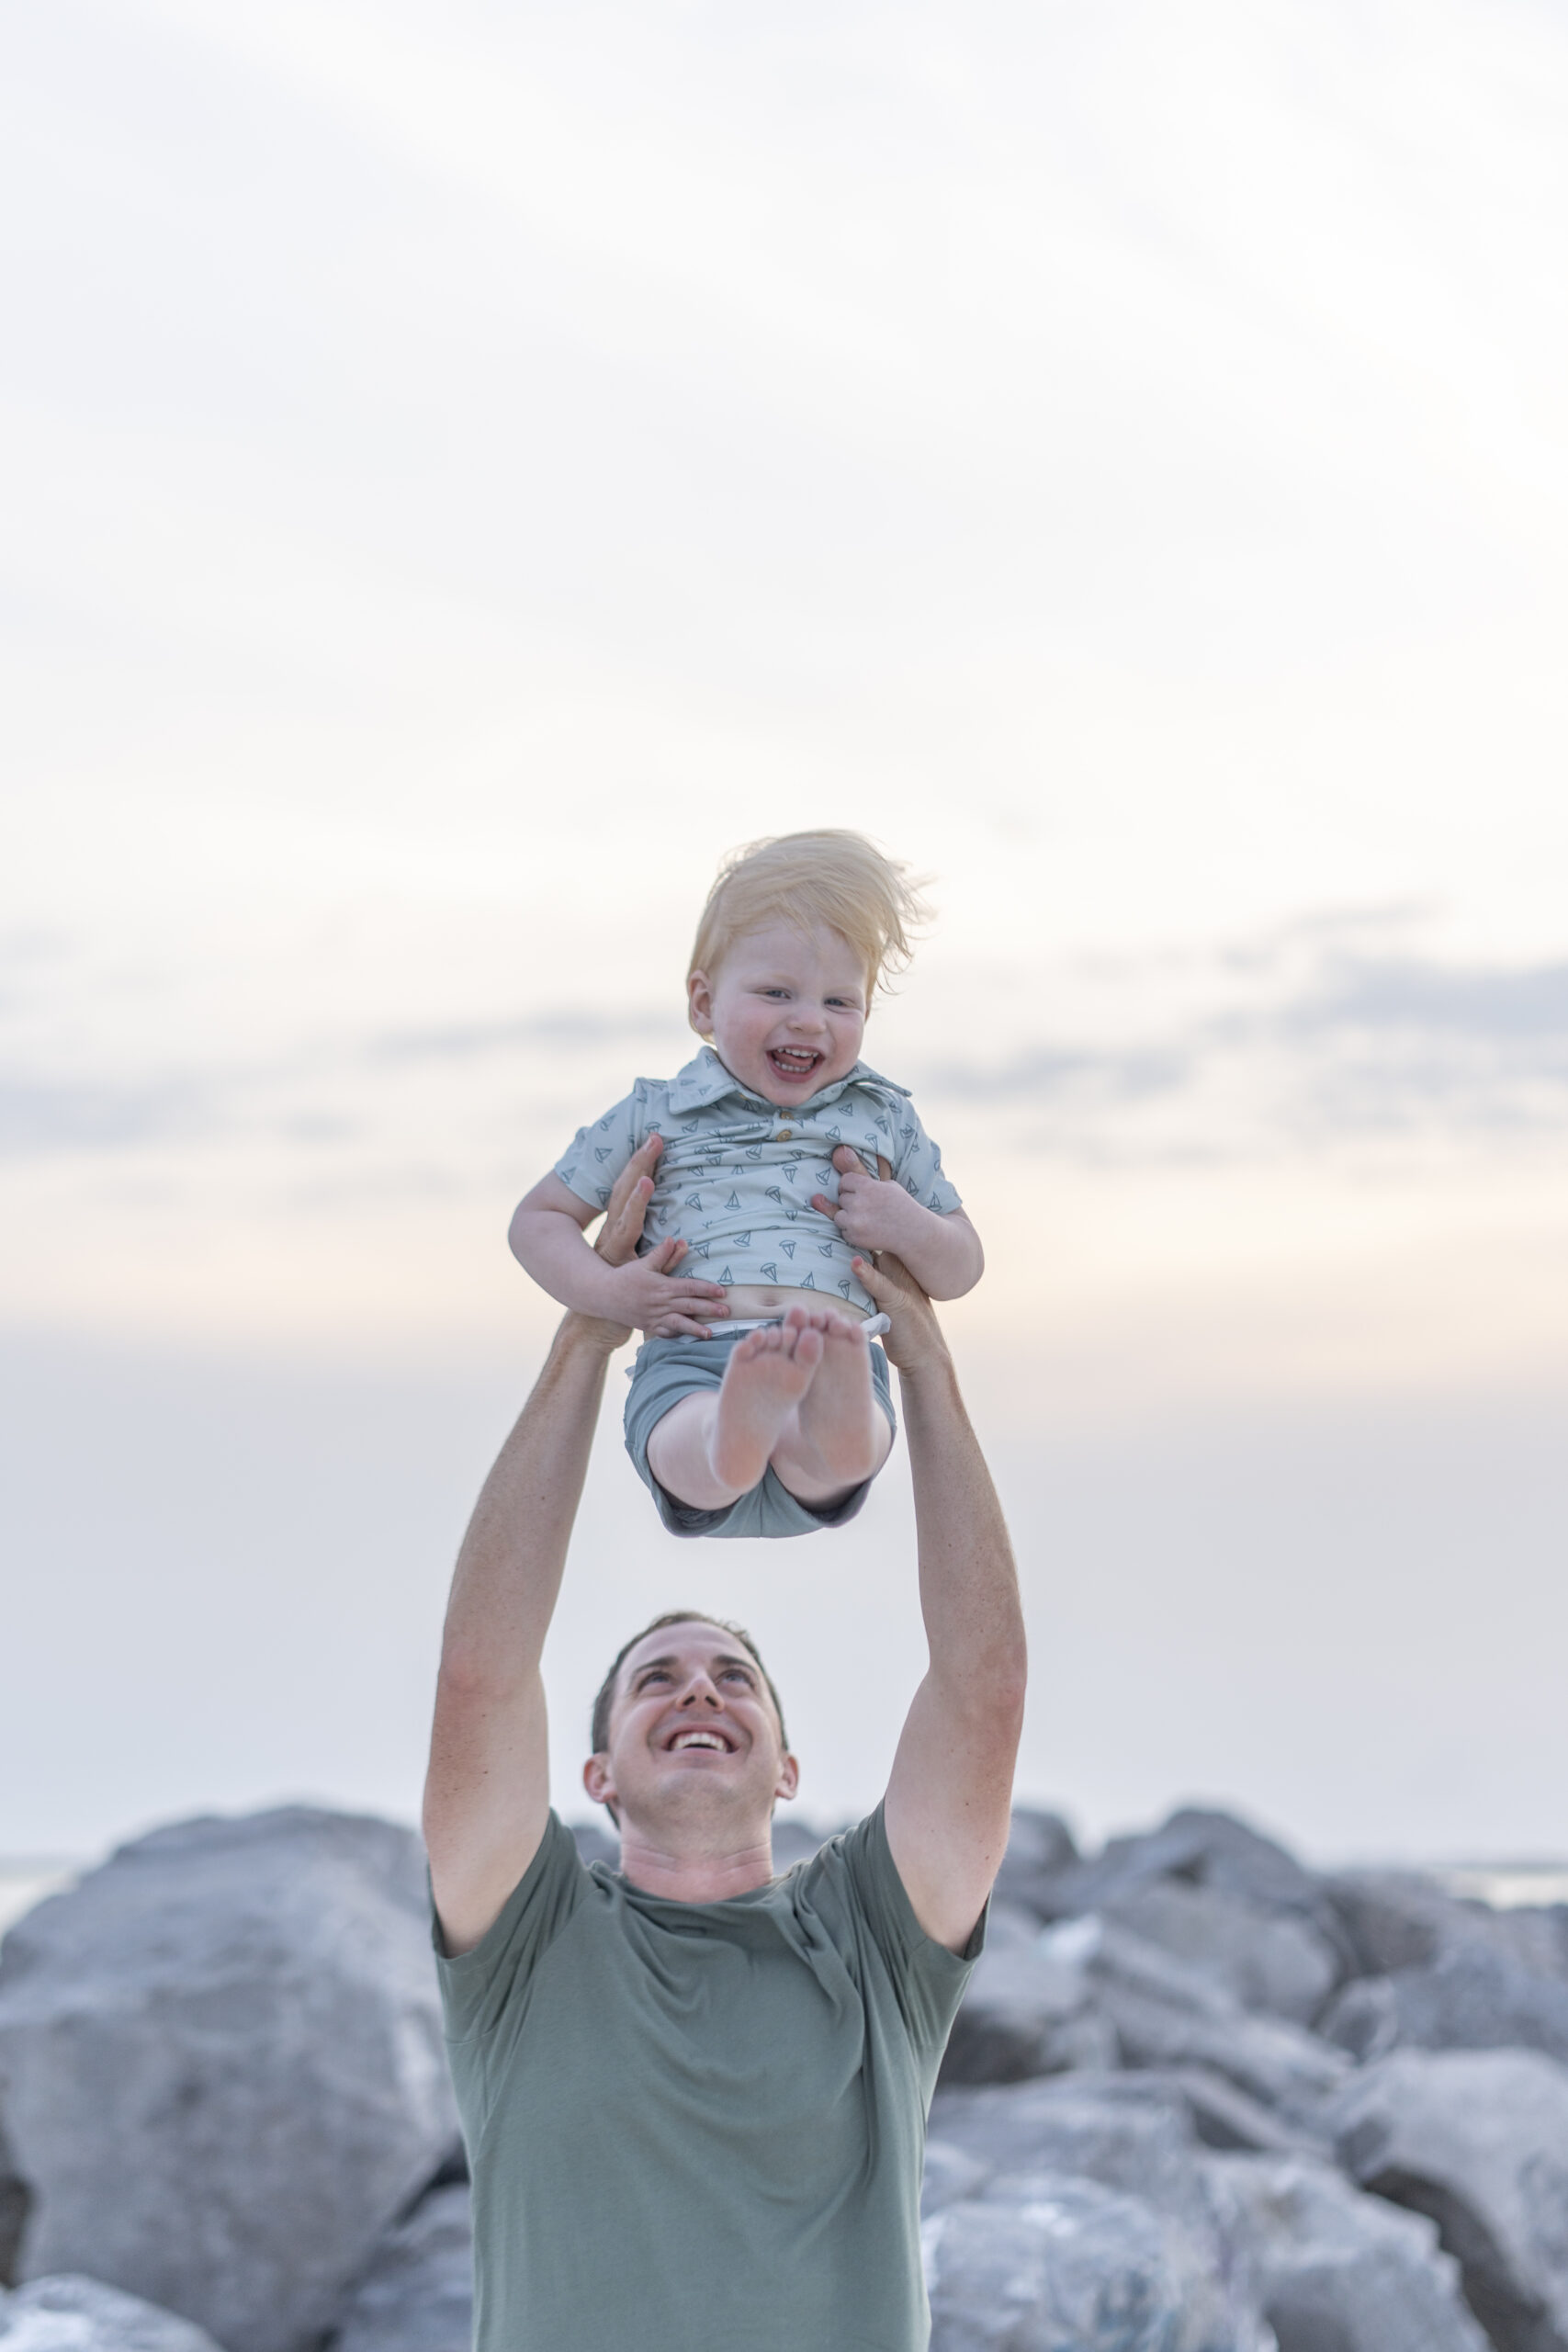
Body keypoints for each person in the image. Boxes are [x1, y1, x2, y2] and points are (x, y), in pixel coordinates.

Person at [423, 1147, 1026, 2352]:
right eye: (656, 1679)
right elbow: (482, 1680)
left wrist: (927, 1362)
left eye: (730, 1678)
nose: (697, 1690)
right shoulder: (524, 1944)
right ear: (595, 1776)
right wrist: (589, 1331)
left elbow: (979, 1692)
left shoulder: (872, 1946)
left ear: (785, 1769)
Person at [507, 830, 984, 1537]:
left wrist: (908, 1223)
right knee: (688, 1436)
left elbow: (961, 1264)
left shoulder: (882, 1116)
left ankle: (832, 1432)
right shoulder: (655, 1111)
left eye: (838, 1002)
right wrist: (610, 1294)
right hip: (692, 1350)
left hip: (836, 1350)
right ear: (703, 1003)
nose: (807, 1019)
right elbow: (538, 1220)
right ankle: (730, 1435)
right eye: (776, 992)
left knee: (841, 1434)